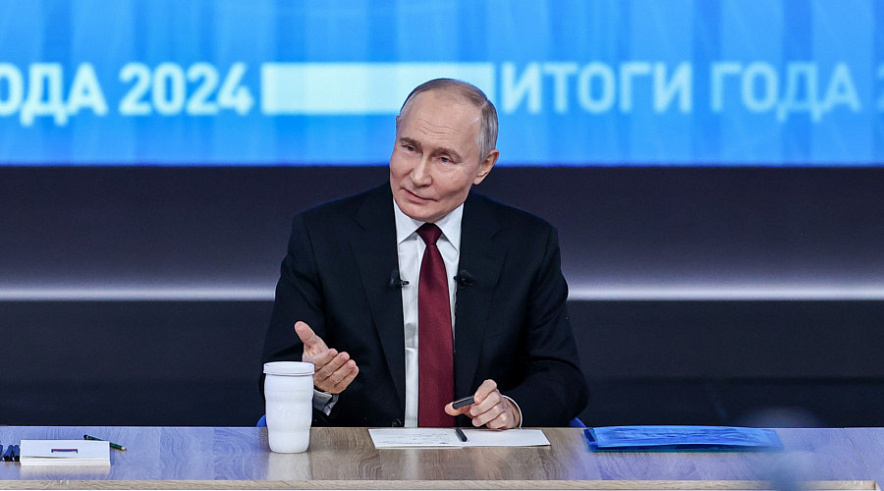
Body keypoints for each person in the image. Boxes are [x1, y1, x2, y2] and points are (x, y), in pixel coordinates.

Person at [262, 78, 588, 429]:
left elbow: (561, 376)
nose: (417, 176)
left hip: (484, 455)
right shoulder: (323, 237)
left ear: (484, 165)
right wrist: (315, 385)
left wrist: (510, 408)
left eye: (444, 159)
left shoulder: (527, 244)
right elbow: (276, 375)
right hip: (360, 454)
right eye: (409, 148)